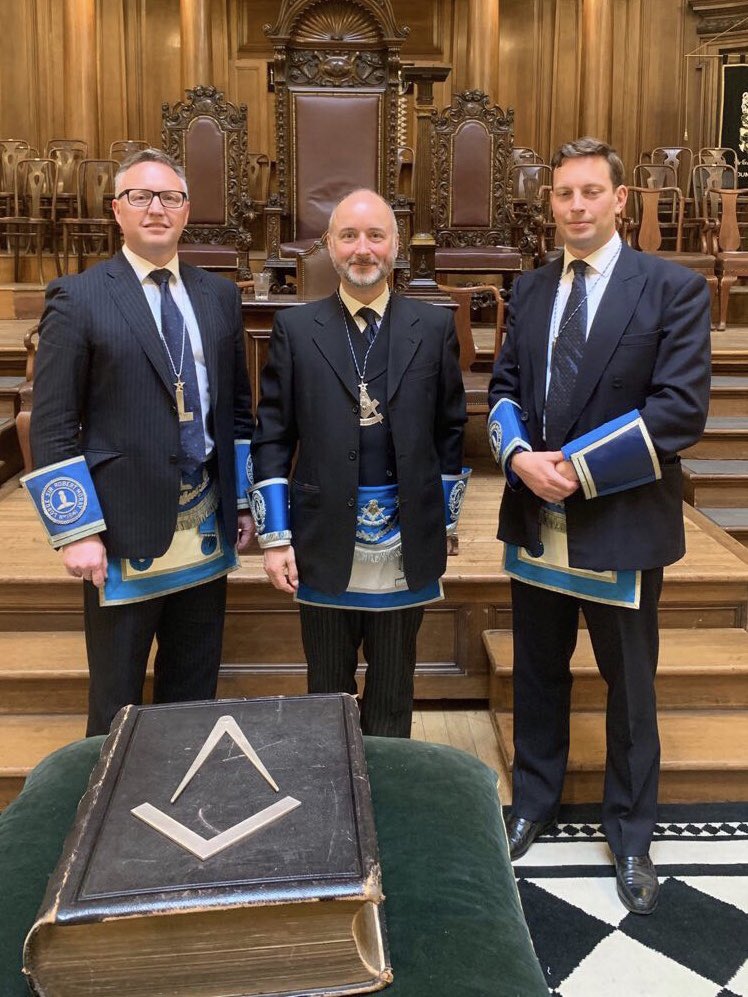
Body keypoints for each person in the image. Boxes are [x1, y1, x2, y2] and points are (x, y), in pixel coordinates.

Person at [487, 137, 711, 914]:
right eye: (563, 193)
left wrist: (573, 469)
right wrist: (517, 456)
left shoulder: (673, 289)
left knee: (629, 688)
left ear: (621, 200)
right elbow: (506, 383)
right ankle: (534, 802)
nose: (576, 205)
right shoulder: (534, 287)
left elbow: (679, 412)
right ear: (549, 203)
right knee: (539, 675)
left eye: (591, 192)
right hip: (536, 516)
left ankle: (630, 831)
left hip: (618, 518)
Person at [25, 148, 255, 736]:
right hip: (119, 527)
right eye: (140, 197)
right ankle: (106, 816)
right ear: (117, 211)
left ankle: (181, 805)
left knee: (193, 689)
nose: (156, 209)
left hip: (204, 522)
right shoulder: (78, 297)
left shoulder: (218, 295)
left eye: (170, 198)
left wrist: (246, 500)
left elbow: (236, 414)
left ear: (186, 211)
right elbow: (51, 424)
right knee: (116, 696)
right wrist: (75, 531)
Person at [250, 188, 468, 737]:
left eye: (376, 236)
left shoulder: (434, 326)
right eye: (349, 236)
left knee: (394, 691)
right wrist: (276, 537)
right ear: (329, 246)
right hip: (322, 536)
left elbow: (449, 433)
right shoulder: (296, 330)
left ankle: (388, 801)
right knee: (327, 689)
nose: (362, 249)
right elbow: (272, 437)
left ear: (396, 245)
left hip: (407, 538)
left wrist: (444, 522)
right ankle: (334, 801)